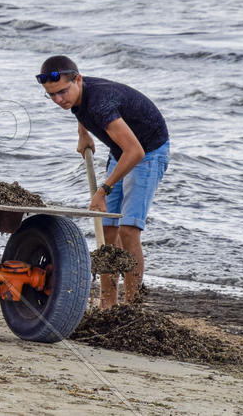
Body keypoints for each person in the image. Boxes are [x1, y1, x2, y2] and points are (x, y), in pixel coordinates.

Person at [37, 55, 169, 309]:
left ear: (78, 79)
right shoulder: (78, 97)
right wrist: (83, 132)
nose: (58, 100)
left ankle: (132, 307)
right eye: (51, 95)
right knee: (108, 229)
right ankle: (107, 304)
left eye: (62, 92)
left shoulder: (100, 103)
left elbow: (137, 152)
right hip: (122, 151)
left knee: (129, 229)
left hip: (149, 151)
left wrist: (104, 189)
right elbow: (80, 109)